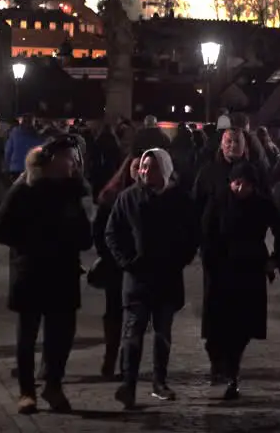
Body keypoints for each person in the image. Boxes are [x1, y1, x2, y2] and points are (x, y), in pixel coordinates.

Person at [0, 138, 93, 415]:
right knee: (27, 334)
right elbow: (0, 228)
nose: (73, 163)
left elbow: (86, 236)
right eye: (68, 158)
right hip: (31, 270)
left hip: (63, 271)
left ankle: (53, 384)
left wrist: (76, 232)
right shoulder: (25, 189)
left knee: (61, 334)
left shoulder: (75, 191)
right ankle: (27, 392)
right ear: (51, 160)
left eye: (75, 158)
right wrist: (28, 244)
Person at [106, 148, 199, 409]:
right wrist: (126, 261)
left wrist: (179, 259)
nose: (145, 171)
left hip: (167, 279)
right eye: (144, 167)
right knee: (133, 334)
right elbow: (112, 232)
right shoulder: (128, 198)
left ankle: (160, 381)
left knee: (162, 334)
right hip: (136, 280)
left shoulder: (179, 199)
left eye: (152, 167)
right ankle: (129, 384)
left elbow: (193, 234)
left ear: (165, 170)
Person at [200, 159, 280, 400]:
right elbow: (206, 235)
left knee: (241, 329)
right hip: (220, 271)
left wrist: (274, 259)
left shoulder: (262, 204)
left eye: (245, 184)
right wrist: (210, 265)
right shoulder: (218, 202)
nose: (239, 189)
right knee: (217, 330)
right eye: (236, 183)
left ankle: (232, 375)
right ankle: (220, 361)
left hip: (250, 271)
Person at [92, 156, 137, 380]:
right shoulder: (111, 197)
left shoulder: (157, 195)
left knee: (133, 316)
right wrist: (111, 255)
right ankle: (110, 360)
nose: (140, 172)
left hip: (140, 266)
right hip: (116, 265)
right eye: (137, 167)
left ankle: (126, 363)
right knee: (114, 313)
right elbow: (100, 231)